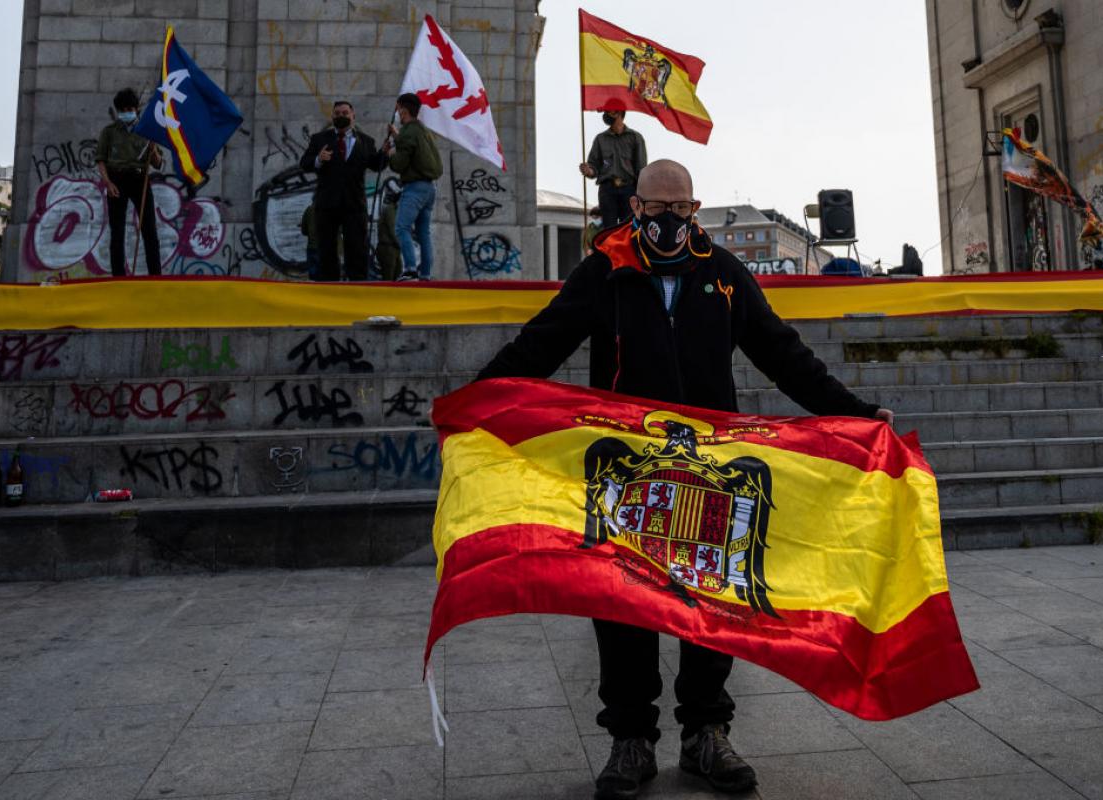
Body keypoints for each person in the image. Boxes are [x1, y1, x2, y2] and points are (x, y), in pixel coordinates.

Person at [477, 160, 894, 800]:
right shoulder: (603, 273)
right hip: (628, 474)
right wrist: (476, 401)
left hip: (709, 472)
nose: (667, 221)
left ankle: (705, 734)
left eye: (680, 209)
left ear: (695, 209)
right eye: (655, 208)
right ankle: (631, 739)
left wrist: (858, 416)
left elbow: (784, 354)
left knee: (710, 601)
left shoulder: (723, 274)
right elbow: (540, 344)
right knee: (622, 605)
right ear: (634, 208)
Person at [299, 100, 388, 281]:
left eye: (345, 113)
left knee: (356, 248)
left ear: (353, 116)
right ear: (332, 117)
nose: (341, 116)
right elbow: (304, 163)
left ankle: (357, 288)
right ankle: (329, 288)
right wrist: (318, 159)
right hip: (327, 203)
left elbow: (376, 164)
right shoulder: (319, 139)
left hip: (354, 204)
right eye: (337, 113)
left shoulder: (366, 141)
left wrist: (384, 153)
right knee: (327, 249)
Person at [96, 88, 164, 277]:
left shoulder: (146, 131)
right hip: (116, 180)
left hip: (140, 180)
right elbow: (101, 160)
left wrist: (153, 149)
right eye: (123, 109)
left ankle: (155, 276)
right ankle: (118, 276)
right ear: (118, 111)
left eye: (130, 109)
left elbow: (158, 164)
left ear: (136, 109)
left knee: (149, 229)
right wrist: (108, 183)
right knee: (117, 232)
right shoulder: (109, 132)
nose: (127, 112)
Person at [387, 93, 443, 281]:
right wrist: (398, 136)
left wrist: (390, 154)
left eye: (398, 109)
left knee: (401, 228)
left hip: (414, 187)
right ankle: (425, 274)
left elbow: (400, 163)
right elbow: (416, 150)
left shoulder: (409, 131)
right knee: (423, 233)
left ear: (403, 110)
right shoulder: (422, 131)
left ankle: (410, 269)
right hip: (429, 188)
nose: (397, 113)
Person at [579, 101, 647, 227]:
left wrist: (640, 196)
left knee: (628, 228)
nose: (606, 115)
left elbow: (641, 170)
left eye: (609, 111)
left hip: (629, 189)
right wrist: (589, 170)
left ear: (619, 113)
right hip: (607, 190)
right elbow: (594, 166)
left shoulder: (635, 138)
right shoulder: (600, 139)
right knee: (608, 229)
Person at [375, 187, 404, 281]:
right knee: (388, 279)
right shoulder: (390, 210)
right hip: (387, 249)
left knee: (397, 275)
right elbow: (393, 230)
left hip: (394, 249)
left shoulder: (398, 211)